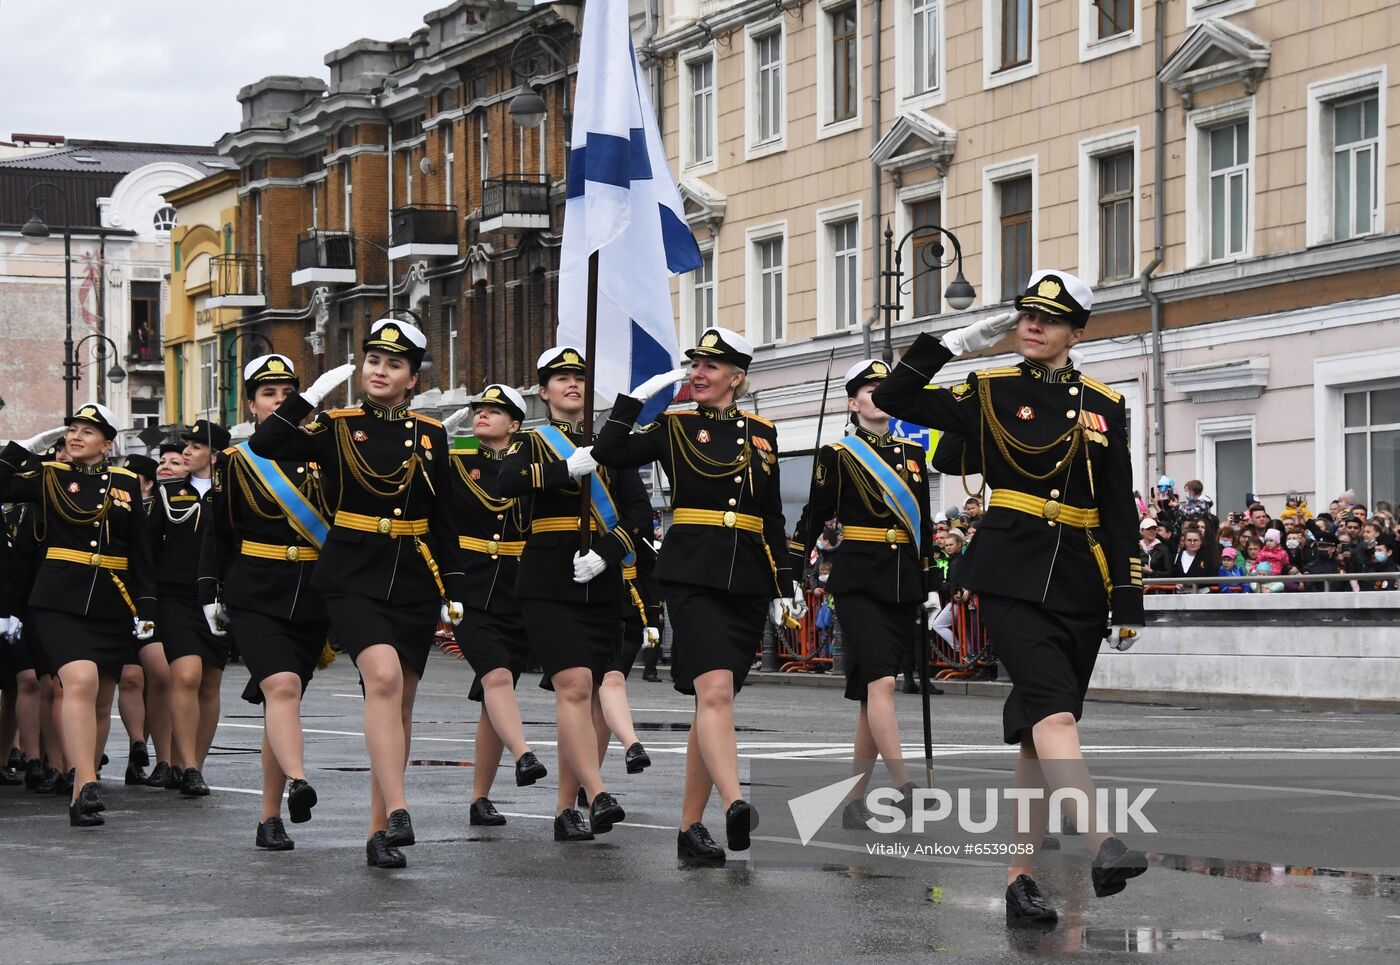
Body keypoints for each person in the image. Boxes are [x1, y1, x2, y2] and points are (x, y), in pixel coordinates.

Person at [873, 270, 1148, 923]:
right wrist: (957, 342)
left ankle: (1020, 881)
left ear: (1076, 331)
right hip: (1009, 573)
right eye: (1026, 314)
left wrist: (1127, 592)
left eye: (1049, 319)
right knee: (1056, 717)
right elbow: (895, 393)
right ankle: (1101, 841)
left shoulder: (1106, 403)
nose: (1032, 325)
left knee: (1036, 734)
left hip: (1080, 579)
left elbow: (1116, 508)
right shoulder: (989, 390)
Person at [249, 317, 466, 870]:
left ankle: (379, 832)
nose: (379, 371)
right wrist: (307, 399)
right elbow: (266, 443)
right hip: (351, 576)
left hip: (413, 577)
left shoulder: (431, 435)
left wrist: (454, 588)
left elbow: (443, 519)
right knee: (384, 679)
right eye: (374, 361)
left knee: (402, 704)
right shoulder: (337, 425)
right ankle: (399, 808)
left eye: (394, 364)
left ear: (412, 378)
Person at [592, 326, 803, 865]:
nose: (698, 374)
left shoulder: (763, 432)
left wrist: (784, 579)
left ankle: (690, 829)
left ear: (737, 376)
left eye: (711, 366)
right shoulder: (673, 425)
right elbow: (610, 450)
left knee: (717, 702)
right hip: (693, 574)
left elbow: (773, 514)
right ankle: (735, 803)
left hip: (748, 579)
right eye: (695, 365)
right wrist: (636, 399)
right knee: (713, 693)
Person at [498, 347, 648, 843]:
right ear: (543, 391)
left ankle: (565, 809)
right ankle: (598, 792)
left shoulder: (613, 446)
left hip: (599, 580)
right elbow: (506, 481)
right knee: (576, 686)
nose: (572, 386)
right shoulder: (530, 441)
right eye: (561, 379)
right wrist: (567, 469)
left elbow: (639, 516)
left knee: (586, 695)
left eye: (580, 379)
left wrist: (608, 552)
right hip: (547, 580)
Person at [0, 405, 158, 826]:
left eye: (88, 431)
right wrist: (21, 450)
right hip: (58, 601)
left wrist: (147, 607)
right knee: (80, 682)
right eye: (72, 429)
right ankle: (85, 780)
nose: (75, 436)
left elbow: (140, 553)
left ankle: (80, 789)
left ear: (108, 444)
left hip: (112, 601)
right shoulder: (49, 476)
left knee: (102, 700)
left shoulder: (125, 482)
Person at [795, 359, 937, 826]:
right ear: (852, 402)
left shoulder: (912, 456)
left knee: (869, 697)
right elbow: (815, 515)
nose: (877, 396)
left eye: (884, 389)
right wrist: (789, 567)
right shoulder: (838, 454)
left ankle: (855, 802)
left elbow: (924, 523)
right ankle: (904, 785)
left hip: (902, 579)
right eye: (868, 390)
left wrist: (930, 581)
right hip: (858, 578)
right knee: (882, 682)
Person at [200, 355, 332, 851]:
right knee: (282, 685)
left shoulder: (323, 454)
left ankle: (269, 816)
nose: (279, 401)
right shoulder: (236, 462)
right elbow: (219, 534)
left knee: (286, 703)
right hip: (255, 592)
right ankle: (299, 779)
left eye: (286, 392)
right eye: (269, 394)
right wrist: (208, 594)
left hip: (312, 594)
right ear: (253, 405)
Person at [441, 383, 548, 828]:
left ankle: (479, 798)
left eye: (494, 410)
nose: (482, 414)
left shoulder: (534, 467)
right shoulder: (455, 463)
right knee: (497, 675)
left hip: (518, 589)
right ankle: (525, 755)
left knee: (493, 696)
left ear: (515, 424)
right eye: (479, 408)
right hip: (469, 586)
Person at [150, 419, 230, 796]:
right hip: (176, 595)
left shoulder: (232, 492)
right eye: (187, 446)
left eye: (196, 447)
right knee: (186, 674)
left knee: (210, 680)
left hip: (218, 598)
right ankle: (188, 765)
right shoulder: (168, 492)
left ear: (214, 456)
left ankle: (196, 763)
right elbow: (149, 548)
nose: (186, 452)